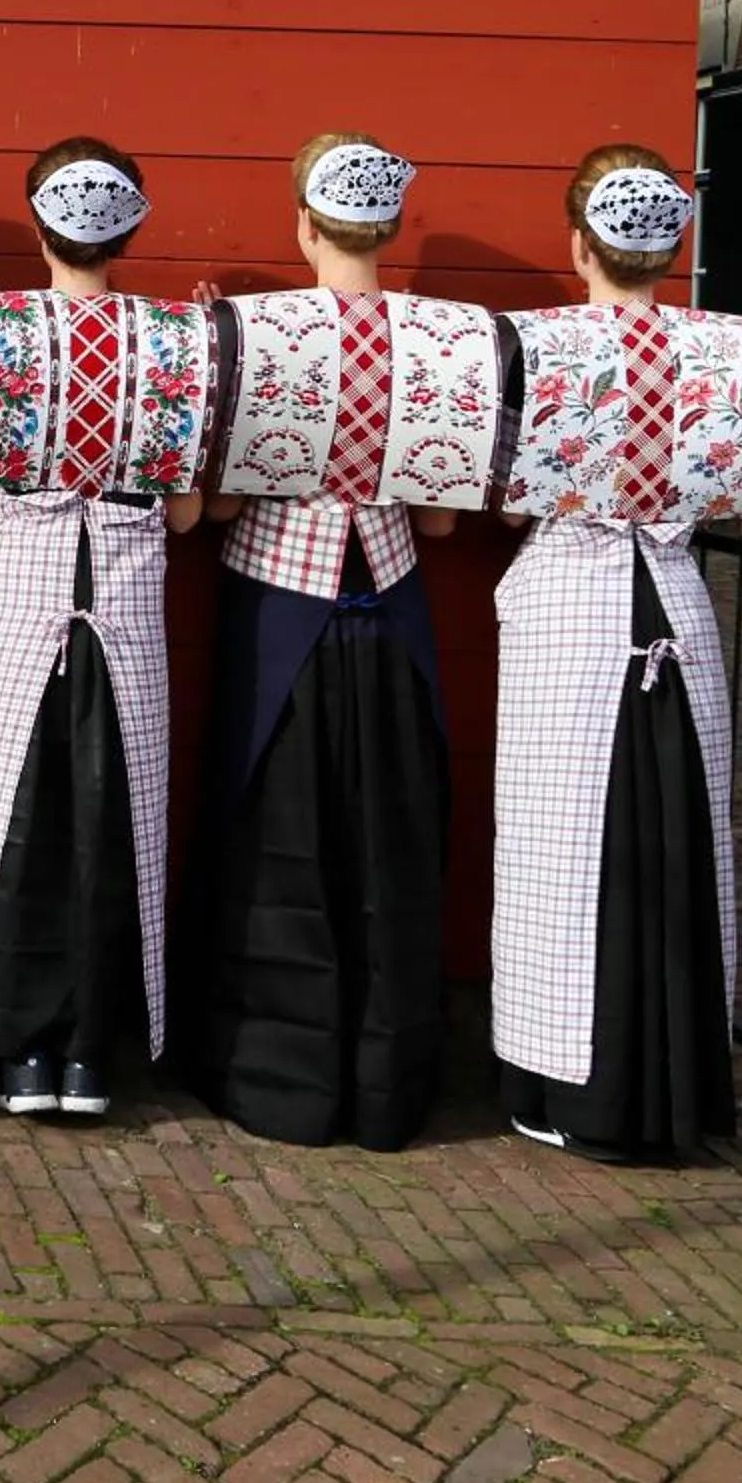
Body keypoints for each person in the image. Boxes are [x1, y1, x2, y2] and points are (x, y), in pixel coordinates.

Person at [183, 137, 486, 1150]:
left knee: (279, 842)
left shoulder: (257, 334)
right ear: (390, 229)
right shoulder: (443, 341)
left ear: (304, 227)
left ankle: (282, 1078)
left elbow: (221, 501)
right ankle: (385, 1079)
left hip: (280, 604)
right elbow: (440, 523)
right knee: (387, 842)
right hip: (390, 604)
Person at [491, 148, 742, 1163]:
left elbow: (507, 489)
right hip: (676, 599)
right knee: (671, 834)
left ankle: (573, 1085)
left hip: (569, 605)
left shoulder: (539, 347)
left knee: (564, 853)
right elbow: (739, 492)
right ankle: (672, 1082)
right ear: (673, 245)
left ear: (579, 244)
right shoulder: (735, 348)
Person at [0, 140, 210, 1120]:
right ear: (130, 228)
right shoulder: (173, 339)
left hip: (23, 603)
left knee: (17, 815)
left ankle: (19, 1046)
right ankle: (92, 1051)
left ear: (37, 223)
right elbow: (184, 512)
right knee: (111, 816)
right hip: (127, 605)